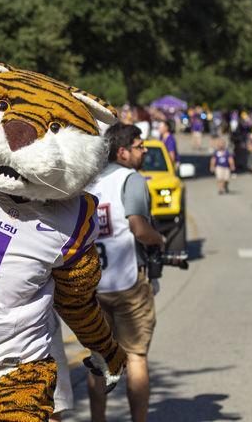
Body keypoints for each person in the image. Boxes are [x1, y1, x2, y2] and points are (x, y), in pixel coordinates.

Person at [86, 124, 165, 422]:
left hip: (95, 284)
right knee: (135, 356)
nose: (144, 150)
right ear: (123, 152)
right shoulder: (130, 179)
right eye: (139, 145)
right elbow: (139, 228)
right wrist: (159, 238)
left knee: (99, 359)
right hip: (129, 281)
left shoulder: (92, 183)